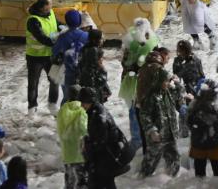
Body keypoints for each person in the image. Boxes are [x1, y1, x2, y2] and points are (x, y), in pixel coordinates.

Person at [118, 18, 160, 151]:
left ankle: (140, 138)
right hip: (139, 81)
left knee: (137, 109)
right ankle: (143, 137)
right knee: (138, 109)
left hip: (137, 81)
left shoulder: (137, 41)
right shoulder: (150, 41)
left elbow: (124, 62)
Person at [138, 54, 181, 177]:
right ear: (159, 81)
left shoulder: (167, 93)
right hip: (158, 136)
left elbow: (178, 98)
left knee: (174, 158)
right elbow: (144, 115)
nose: (167, 83)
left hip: (170, 134)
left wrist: (177, 85)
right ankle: (143, 178)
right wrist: (152, 130)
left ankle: (172, 179)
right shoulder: (152, 97)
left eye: (167, 81)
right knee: (151, 160)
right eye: (165, 81)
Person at [81, 87, 130, 189]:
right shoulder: (96, 110)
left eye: (83, 103)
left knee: (99, 183)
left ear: (89, 101)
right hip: (107, 157)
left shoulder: (97, 116)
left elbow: (100, 141)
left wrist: (87, 146)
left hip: (106, 157)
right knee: (106, 183)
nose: (81, 106)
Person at [25, 0, 60, 113]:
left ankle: (52, 104)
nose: (51, 6)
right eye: (49, 5)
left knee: (55, 80)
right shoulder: (33, 20)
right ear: (42, 7)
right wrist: (60, 42)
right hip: (35, 57)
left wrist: (65, 28)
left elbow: (57, 24)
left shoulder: (51, 13)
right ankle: (32, 107)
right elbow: (42, 38)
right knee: (33, 83)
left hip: (50, 56)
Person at [187, 79, 218, 179]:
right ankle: (217, 184)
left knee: (199, 172)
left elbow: (189, 123)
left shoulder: (194, 105)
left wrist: (197, 129)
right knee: (217, 169)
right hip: (214, 142)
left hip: (198, 143)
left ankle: (200, 184)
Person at [57, 86, 88, 189]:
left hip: (67, 153)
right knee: (81, 181)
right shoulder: (82, 110)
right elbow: (84, 130)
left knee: (69, 181)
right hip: (80, 153)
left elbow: (59, 128)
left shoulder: (62, 110)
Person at [52, 10, 89, 99]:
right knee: (83, 96)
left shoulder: (62, 36)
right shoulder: (86, 35)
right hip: (82, 70)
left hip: (66, 71)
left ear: (67, 21)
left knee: (67, 96)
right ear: (79, 21)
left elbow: (54, 52)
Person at [77, 30, 111, 104]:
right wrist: (102, 69)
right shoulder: (93, 50)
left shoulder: (87, 48)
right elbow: (94, 66)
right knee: (95, 101)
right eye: (101, 38)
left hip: (89, 79)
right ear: (95, 40)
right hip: (93, 81)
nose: (103, 40)